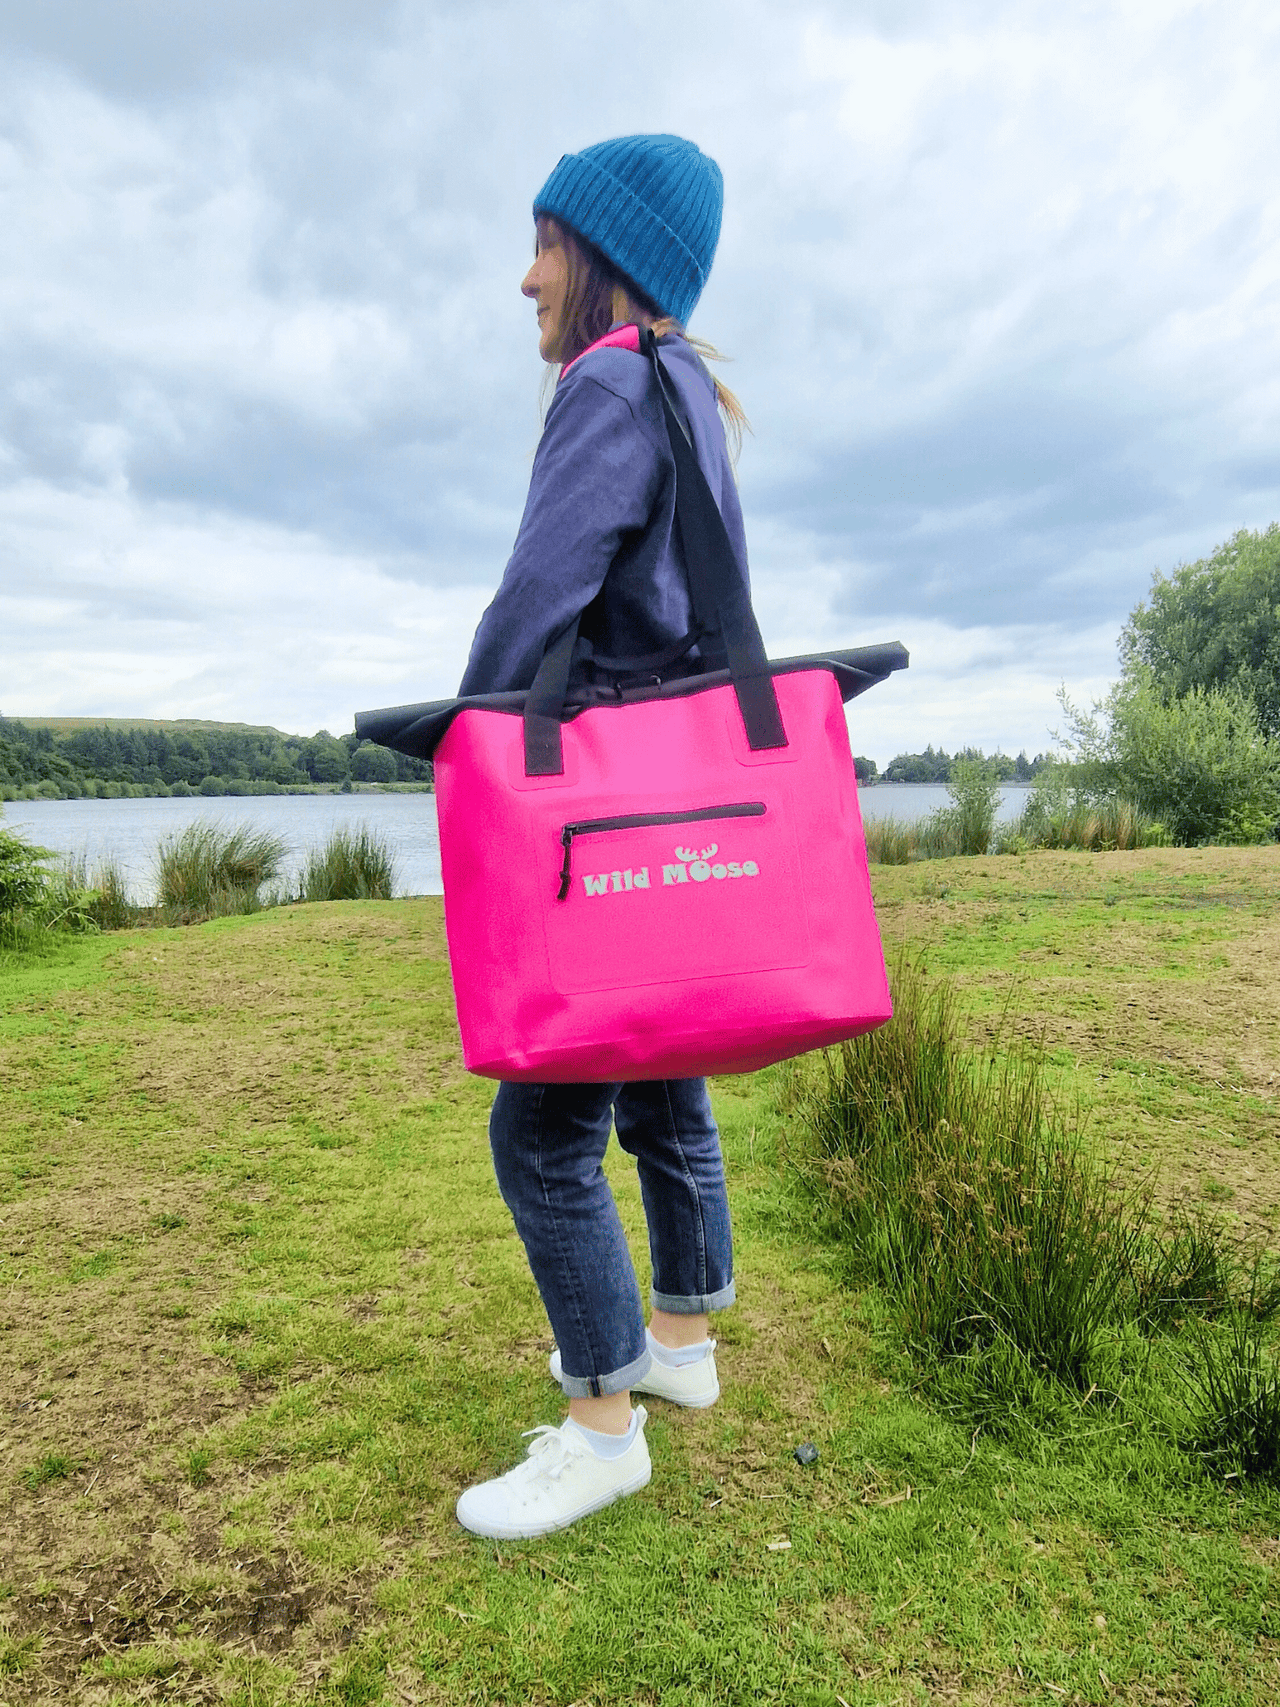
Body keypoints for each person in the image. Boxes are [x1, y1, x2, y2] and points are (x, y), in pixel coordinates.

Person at [454, 134, 751, 1541]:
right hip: (688, 815)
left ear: (606, 261)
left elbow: (541, 597)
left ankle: (603, 1423)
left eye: (547, 246)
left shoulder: (610, 385)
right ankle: (680, 1344)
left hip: (609, 814)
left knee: (543, 1131)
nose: (527, 279)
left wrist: (472, 740)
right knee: (665, 1087)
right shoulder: (689, 388)